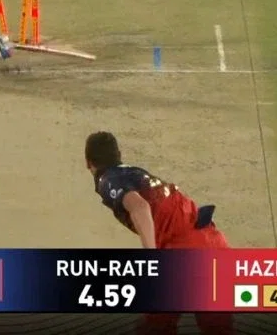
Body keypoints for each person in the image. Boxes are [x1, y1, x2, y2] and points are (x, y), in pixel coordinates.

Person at [84, 131, 234, 335]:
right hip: (212, 243)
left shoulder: (108, 179)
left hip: (183, 251)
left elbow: (139, 206)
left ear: (88, 162)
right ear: (118, 154)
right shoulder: (134, 173)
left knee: (154, 327)